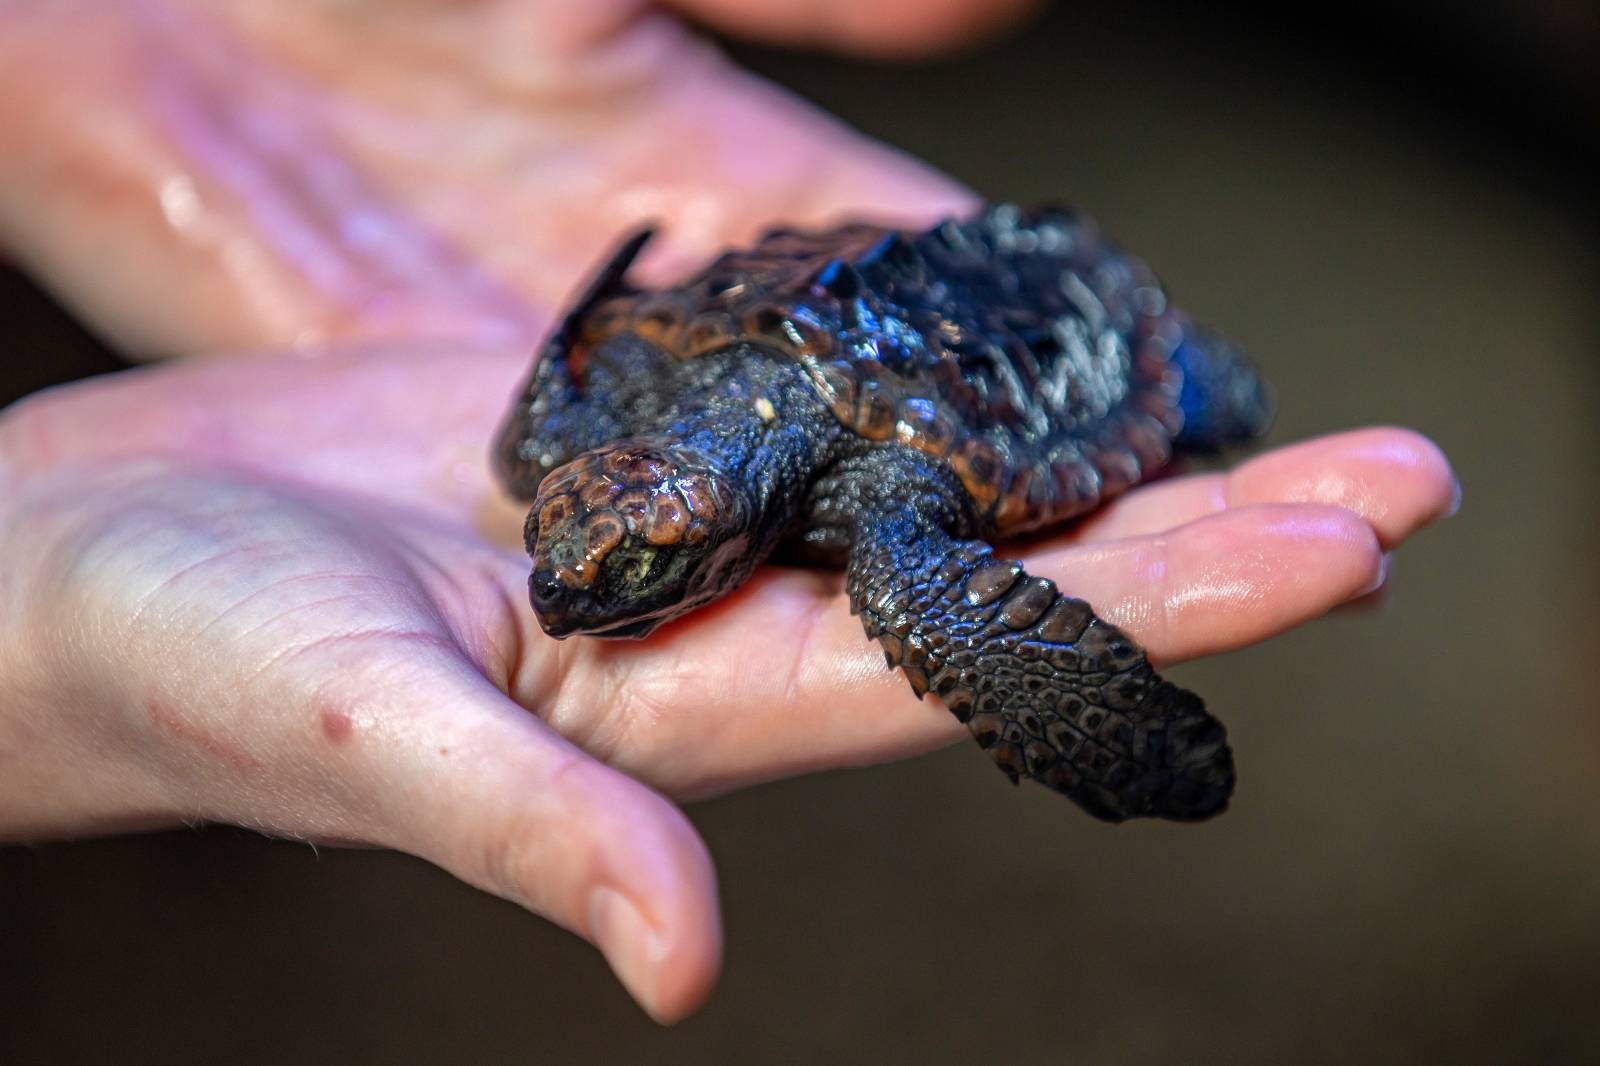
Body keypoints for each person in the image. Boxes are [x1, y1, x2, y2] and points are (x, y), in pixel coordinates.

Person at [0, 0, 1458, 1024]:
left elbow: (580, 386)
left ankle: (1208, 376)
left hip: (1030, 325)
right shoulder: (627, 429)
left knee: (1212, 405)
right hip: (787, 322)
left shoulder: (882, 497)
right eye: (585, 550)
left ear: (712, 532)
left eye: (626, 563)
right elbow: (560, 409)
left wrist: (1104, 721)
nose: (568, 584)